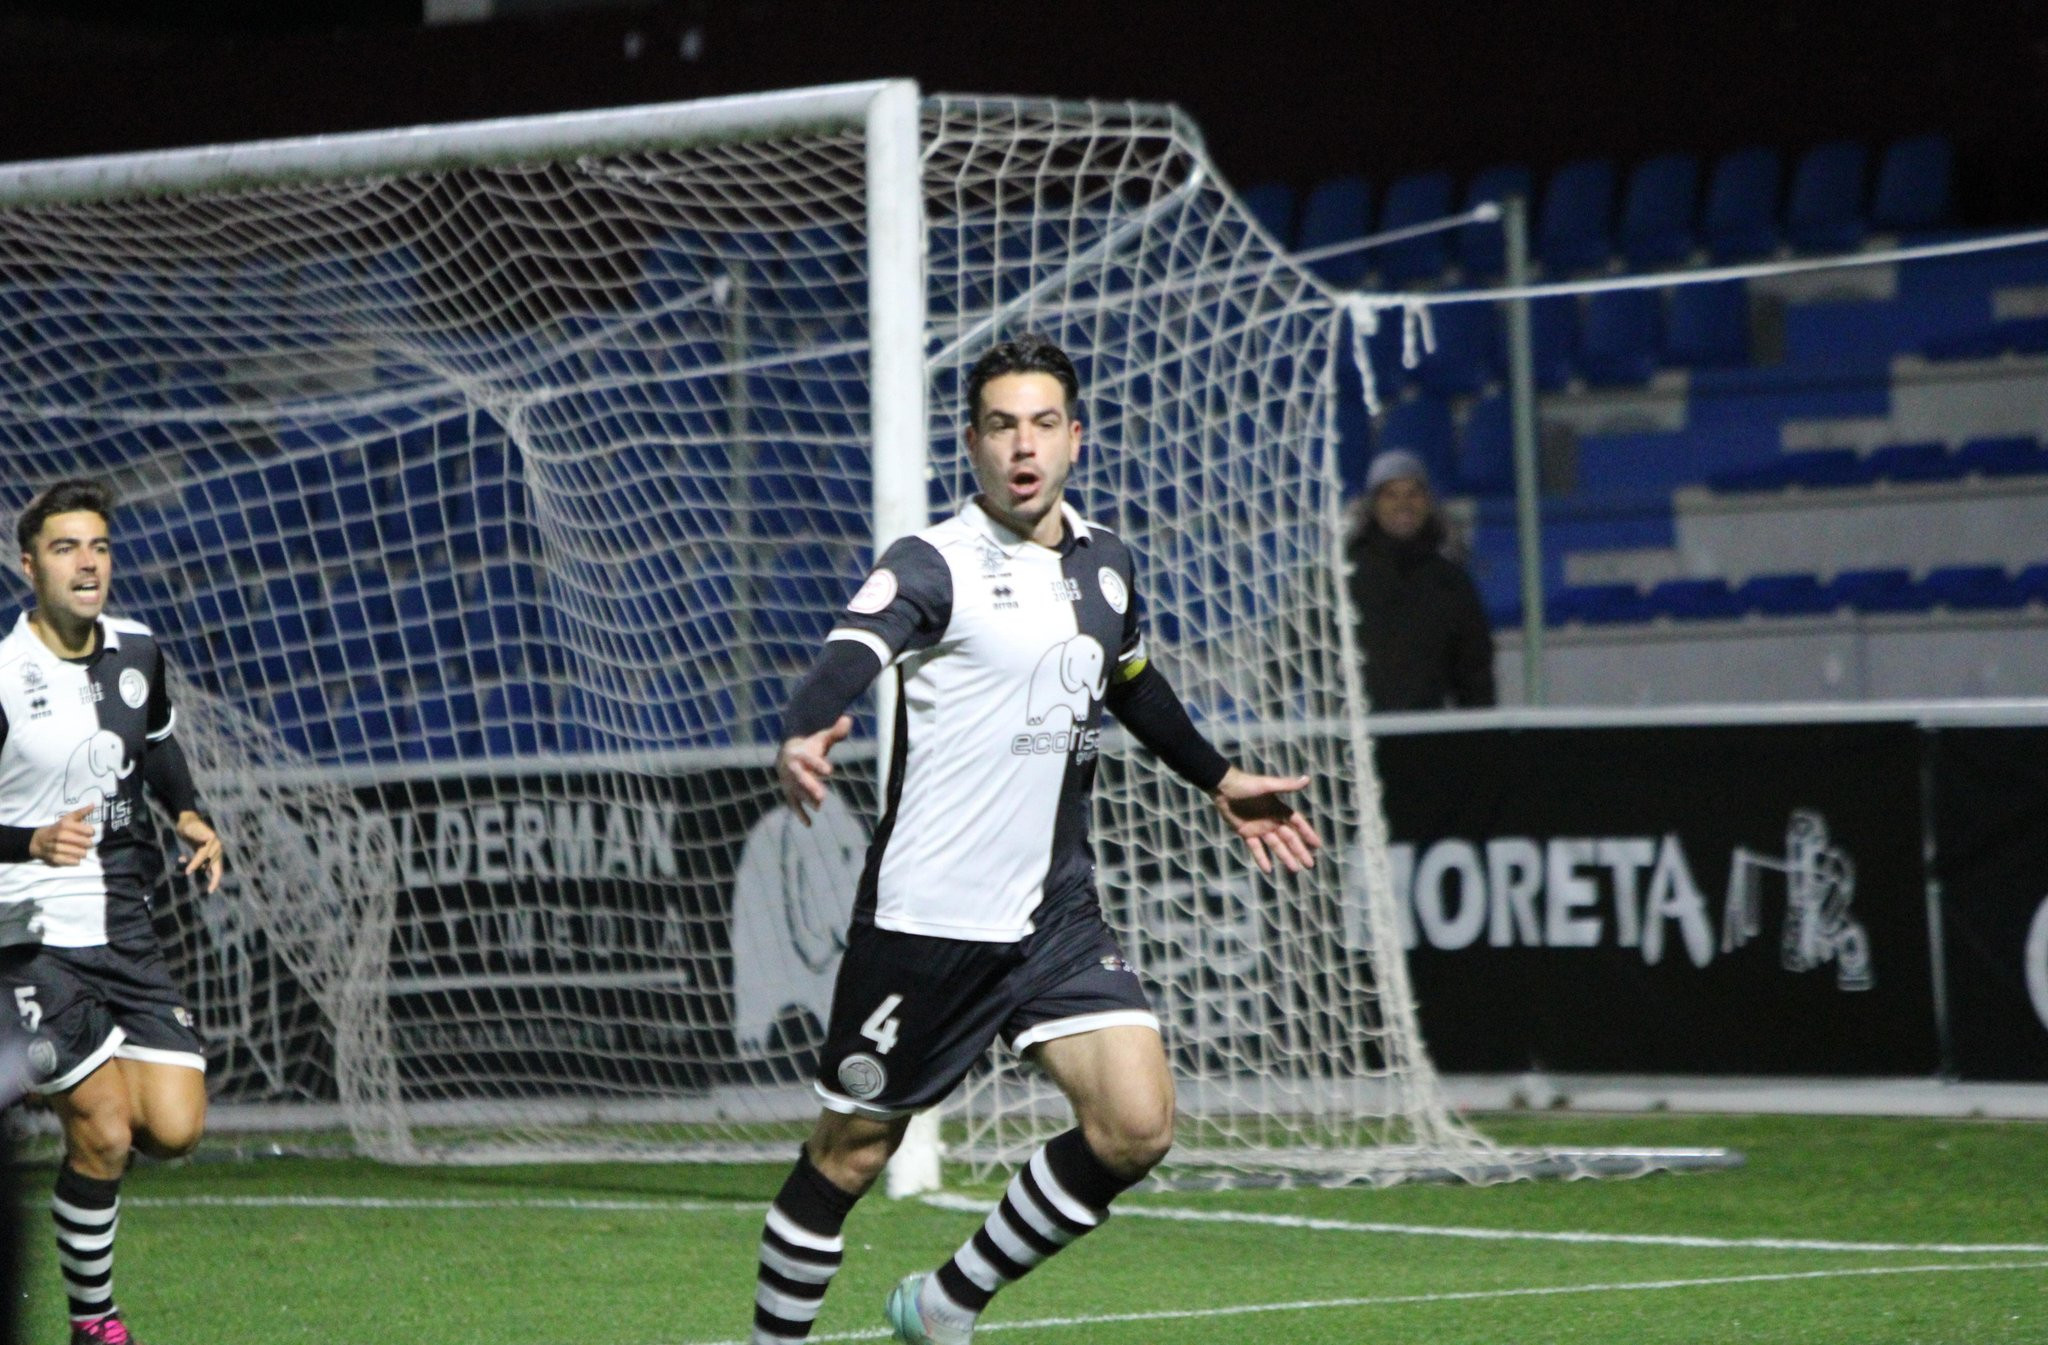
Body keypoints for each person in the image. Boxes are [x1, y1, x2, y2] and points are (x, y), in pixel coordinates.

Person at [745, 335, 1322, 1345]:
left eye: (1043, 423)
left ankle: (944, 1302)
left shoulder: (1105, 563)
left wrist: (1221, 779)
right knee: (846, 1157)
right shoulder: (935, 563)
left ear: (1074, 437)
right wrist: (806, 724)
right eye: (1002, 425)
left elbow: (1131, 682)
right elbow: (850, 649)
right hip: (928, 919)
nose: (1024, 446)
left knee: (1135, 1127)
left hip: (1052, 912)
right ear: (971, 442)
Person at [0, 479, 225, 1345]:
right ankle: (96, 1323)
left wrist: (191, 812)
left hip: (123, 925)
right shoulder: (5, 677)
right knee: (102, 1128)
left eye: (98, 546)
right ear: (30, 567)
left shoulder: (138, 651)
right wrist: (28, 843)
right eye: (65, 547)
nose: (87, 562)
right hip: (30, 936)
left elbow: (159, 744)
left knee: (172, 1125)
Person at [1345, 448, 1496, 711]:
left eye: (1413, 493)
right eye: (1390, 494)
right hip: (1352, 742)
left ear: (1427, 502)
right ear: (1373, 505)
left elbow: (1474, 674)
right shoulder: (1339, 577)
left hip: (1427, 739)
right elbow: (1288, 655)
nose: (1403, 504)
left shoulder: (1451, 581)